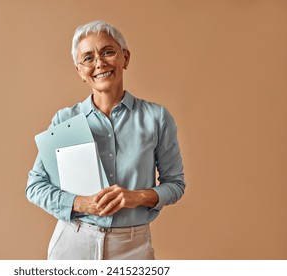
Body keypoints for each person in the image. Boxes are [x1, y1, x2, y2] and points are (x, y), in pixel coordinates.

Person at [26, 20, 185, 260]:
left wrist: (137, 197)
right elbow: (35, 187)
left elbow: (175, 184)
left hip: (133, 247)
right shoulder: (65, 120)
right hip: (73, 245)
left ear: (125, 58)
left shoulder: (156, 118)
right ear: (80, 71)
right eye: (88, 58)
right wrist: (80, 203)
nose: (99, 63)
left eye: (108, 52)